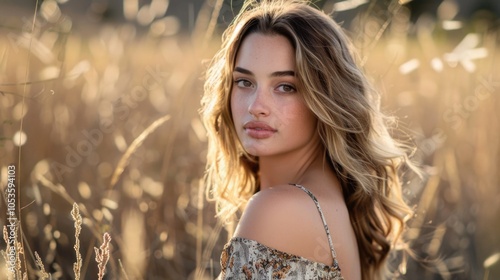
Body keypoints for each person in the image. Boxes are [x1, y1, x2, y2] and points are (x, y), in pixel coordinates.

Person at [201, 1, 418, 279]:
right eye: (245, 82)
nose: (256, 106)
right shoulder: (332, 199)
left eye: (285, 87)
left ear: (325, 99)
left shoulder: (278, 209)